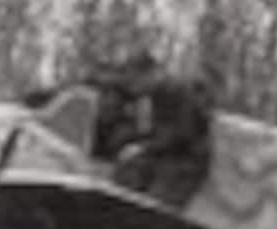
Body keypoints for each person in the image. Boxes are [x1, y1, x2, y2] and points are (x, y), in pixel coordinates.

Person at [89, 54, 214, 209]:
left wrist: (143, 147)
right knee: (125, 175)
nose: (134, 88)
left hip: (185, 160)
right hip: (161, 154)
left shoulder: (179, 92)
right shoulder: (152, 96)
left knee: (156, 202)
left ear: (151, 74)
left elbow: (182, 134)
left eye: (136, 82)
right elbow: (149, 131)